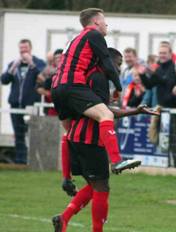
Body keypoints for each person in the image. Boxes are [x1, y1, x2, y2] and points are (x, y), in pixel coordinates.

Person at [53, 48, 159, 232]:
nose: (119, 69)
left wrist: (134, 111)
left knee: (95, 185)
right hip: (90, 140)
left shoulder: (90, 77)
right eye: (118, 64)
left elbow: (101, 109)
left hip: (76, 138)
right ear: (107, 61)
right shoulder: (98, 78)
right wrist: (133, 111)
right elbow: (105, 113)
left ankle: (64, 218)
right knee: (102, 187)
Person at [51, 8, 139, 173]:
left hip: (56, 87)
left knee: (70, 133)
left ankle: (69, 176)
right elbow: (107, 63)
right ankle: (116, 161)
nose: (106, 24)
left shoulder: (75, 40)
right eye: (104, 21)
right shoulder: (93, 35)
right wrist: (118, 88)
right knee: (106, 115)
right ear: (96, 22)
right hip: (72, 84)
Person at [1, 39, 46, 164]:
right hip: (15, 105)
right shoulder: (14, 64)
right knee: (18, 134)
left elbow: (43, 78)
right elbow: (4, 80)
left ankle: (32, 161)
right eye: (21, 49)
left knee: (31, 133)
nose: (23, 51)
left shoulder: (38, 63)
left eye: (25, 48)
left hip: (31, 105)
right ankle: (20, 161)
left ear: (30, 49)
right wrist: (13, 67)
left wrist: (32, 64)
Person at [36, 48, 63, 116]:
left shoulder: (69, 70)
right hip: (50, 106)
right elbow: (38, 86)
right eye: (56, 58)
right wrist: (47, 93)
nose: (58, 59)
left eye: (60, 57)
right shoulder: (47, 71)